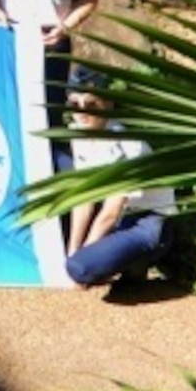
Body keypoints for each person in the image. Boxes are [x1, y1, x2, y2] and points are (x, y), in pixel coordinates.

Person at [62, 77, 176, 289]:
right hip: (120, 219)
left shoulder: (128, 145)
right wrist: (72, 253)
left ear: (108, 104)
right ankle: (121, 261)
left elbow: (110, 213)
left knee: (81, 268)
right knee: (73, 262)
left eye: (91, 104)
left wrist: (80, 260)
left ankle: (137, 261)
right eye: (74, 104)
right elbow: (83, 200)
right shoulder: (78, 134)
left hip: (147, 222)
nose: (82, 111)